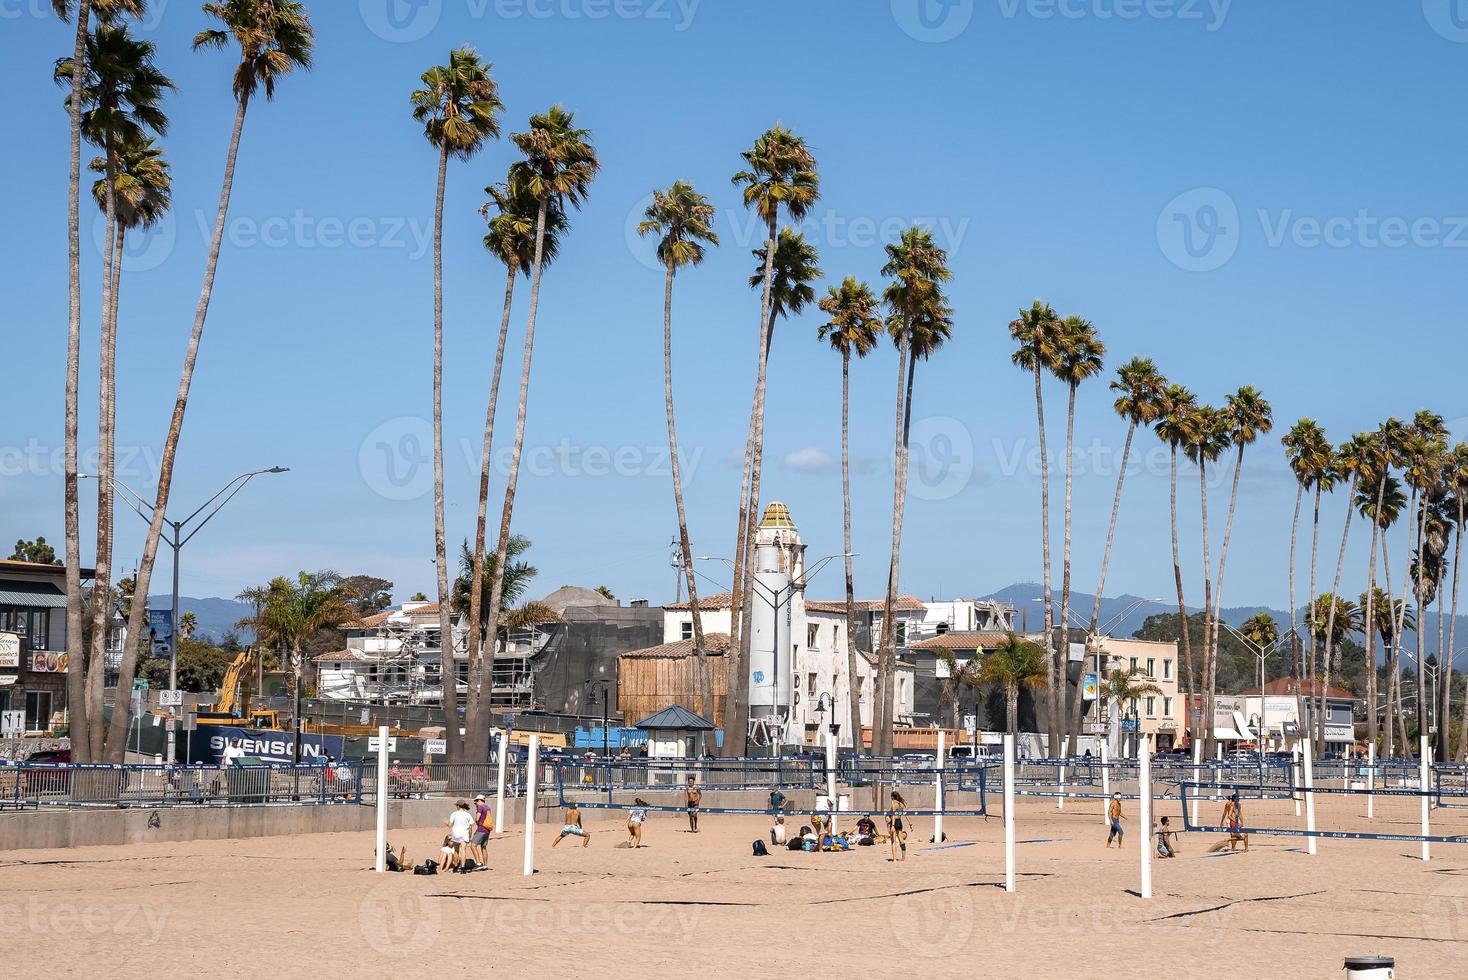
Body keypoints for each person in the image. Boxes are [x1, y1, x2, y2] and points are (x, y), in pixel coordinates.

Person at [446, 799, 474, 866]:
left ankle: (455, 866)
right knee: (463, 850)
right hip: (464, 833)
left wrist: (446, 822)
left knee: (456, 850)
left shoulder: (454, 814)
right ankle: (462, 867)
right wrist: (470, 836)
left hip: (456, 833)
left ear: (458, 806)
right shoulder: (468, 815)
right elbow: (470, 827)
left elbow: (450, 825)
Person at [471, 794, 493, 865]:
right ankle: (485, 865)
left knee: (473, 845)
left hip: (481, 829)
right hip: (487, 830)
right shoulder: (487, 807)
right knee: (483, 847)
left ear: (479, 800)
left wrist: (477, 822)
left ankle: (478, 863)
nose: (475, 804)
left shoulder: (480, 807)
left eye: (476, 802)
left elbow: (477, 818)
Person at [888, 791, 908, 861]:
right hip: (900, 822)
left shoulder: (894, 804)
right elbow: (905, 814)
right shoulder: (901, 804)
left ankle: (894, 859)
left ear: (892, 797)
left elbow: (893, 815)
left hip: (895, 822)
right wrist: (910, 823)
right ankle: (903, 858)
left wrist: (893, 825)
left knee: (893, 841)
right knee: (901, 841)